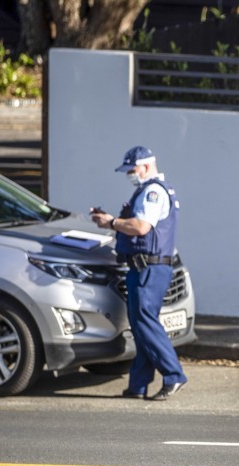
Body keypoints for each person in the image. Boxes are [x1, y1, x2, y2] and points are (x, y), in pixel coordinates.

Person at [90, 146, 187, 401]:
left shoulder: (153, 191)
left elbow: (141, 227)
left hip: (149, 268)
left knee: (145, 322)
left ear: (144, 166)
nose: (129, 175)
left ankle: (174, 375)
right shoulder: (147, 190)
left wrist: (110, 222)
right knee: (141, 325)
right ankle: (139, 384)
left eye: (131, 170)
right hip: (143, 267)